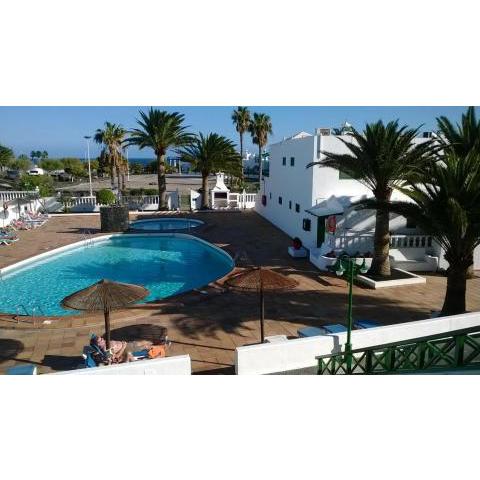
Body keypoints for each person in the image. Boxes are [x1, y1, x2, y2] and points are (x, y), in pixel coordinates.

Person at [90, 335, 168, 365]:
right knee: (146, 346)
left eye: (102, 338)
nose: (103, 340)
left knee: (144, 341)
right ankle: (163, 346)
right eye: (100, 340)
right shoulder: (105, 349)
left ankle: (162, 344)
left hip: (129, 344)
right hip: (127, 348)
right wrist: (123, 346)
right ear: (98, 344)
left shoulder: (106, 343)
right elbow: (116, 357)